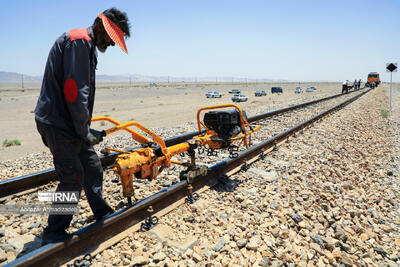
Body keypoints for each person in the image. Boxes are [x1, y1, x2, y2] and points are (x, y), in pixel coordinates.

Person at [34, 8, 131, 245]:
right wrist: (84, 131)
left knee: (92, 166)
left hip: (71, 124)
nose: (110, 43)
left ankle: (101, 212)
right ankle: (54, 232)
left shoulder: (88, 47)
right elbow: (75, 91)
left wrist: (83, 128)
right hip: (58, 123)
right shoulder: (78, 42)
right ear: (100, 26)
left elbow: (78, 94)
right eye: (110, 37)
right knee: (72, 177)